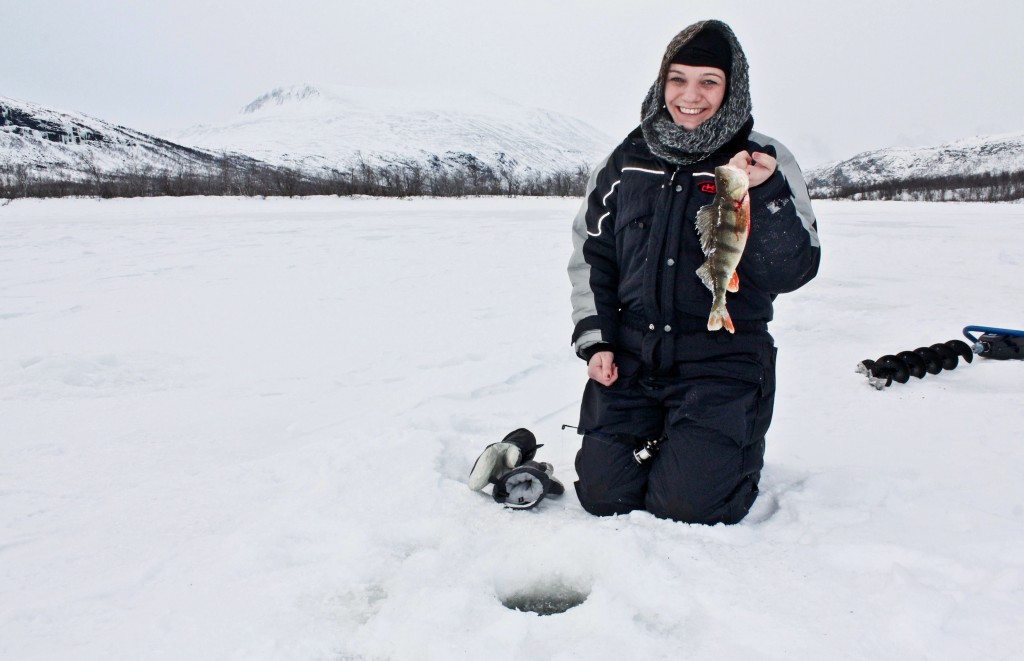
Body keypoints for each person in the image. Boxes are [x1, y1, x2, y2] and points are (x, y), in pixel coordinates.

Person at [567, 19, 820, 525]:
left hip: (722, 362)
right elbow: (593, 255)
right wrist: (599, 342)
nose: (690, 95)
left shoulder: (761, 158)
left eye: (709, 81)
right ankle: (671, 441)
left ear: (732, 87)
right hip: (635, 359)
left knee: (687, 507)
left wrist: (766, 195)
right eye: (678, 79)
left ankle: (724, 454)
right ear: (662, 83)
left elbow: (794, 269)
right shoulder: (626, 158)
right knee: (602, 497)